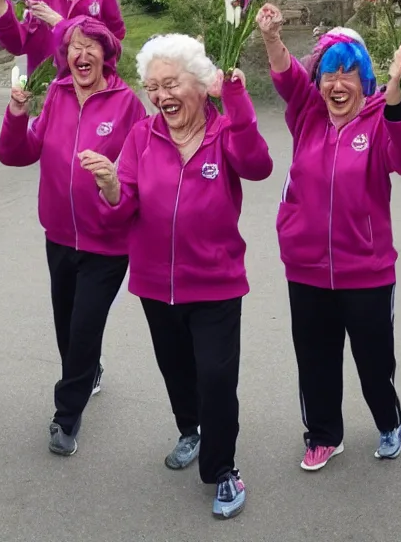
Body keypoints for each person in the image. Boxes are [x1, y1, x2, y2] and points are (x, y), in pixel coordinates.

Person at [89, 34, 272, 519]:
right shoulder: (140, 137)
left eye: (170, 83)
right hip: (155, 282)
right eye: (152, 87)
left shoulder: (225, 131)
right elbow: (122, 208)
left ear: (200, 84)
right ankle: (190, 429)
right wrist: (110, 187)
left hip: (215, 281)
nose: (161, 95)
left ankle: (223, 468)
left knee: (215, 377)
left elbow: (258, 165)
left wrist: (234, 98)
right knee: (178, 371)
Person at [255, 4, 401, 472]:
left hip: (365, 269)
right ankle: (323, 434)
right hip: (306, 265)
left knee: (374, 362)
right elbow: (290, 79)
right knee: (314, 359)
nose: (337, 84)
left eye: (349, 74)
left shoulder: (379, 118)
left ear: (365, 80)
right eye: (330, 74)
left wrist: (395, 100)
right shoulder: (307, 115)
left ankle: (390, 421)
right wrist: (272, 38)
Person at [0, 16, 147, 457]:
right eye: (73, 47)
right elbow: (16, 154)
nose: (81, 54)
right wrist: (17, 113)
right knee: (67, 328)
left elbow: (142, 166)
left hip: (107, 241)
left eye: (90, 46)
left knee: (83, 329)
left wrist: (115, 183)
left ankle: (67, 418)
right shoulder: (57, 95)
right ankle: (87, 370)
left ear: (106, 53)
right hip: (59, 236)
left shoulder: (127, 103)